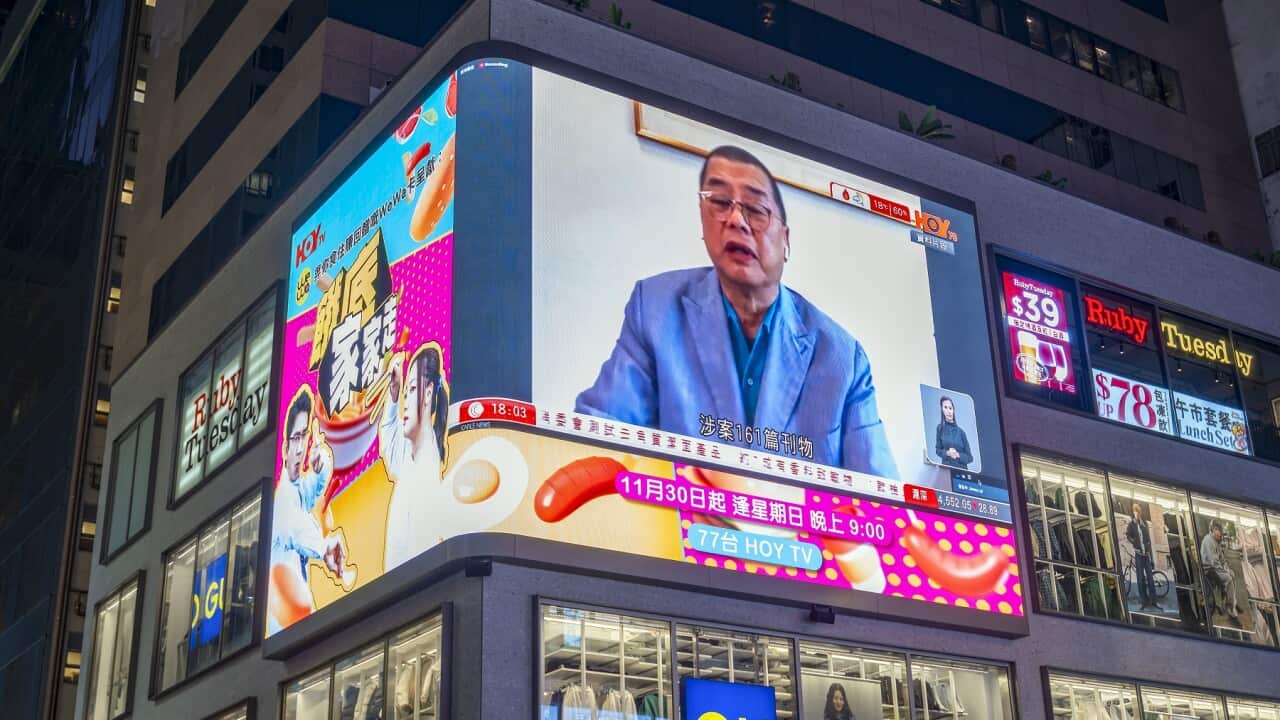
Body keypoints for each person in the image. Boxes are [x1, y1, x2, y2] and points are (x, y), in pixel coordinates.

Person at [576, 145, 897, 477]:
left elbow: (882, 496)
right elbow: (600, 433)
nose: (735, 220)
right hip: (677, 523)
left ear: (785, 240)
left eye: (756, 209)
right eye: (718, 202)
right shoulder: (655, 307)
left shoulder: (843, 357)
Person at [269, 391, 348, 634]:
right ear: (285, 446)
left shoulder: (295, 488)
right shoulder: (282, 501)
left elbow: (312, 488)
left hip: (296, 621)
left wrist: (321, 462)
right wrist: (324, 548)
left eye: (304, 436)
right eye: (295, 438)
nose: (301, 447)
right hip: (284, 624)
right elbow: (296, 528)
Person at [381, 345, 449, 571]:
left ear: (428, 393)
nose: (405, 401)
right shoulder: (413, 451)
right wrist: (393, 393)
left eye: (411, 390)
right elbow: (390, 442)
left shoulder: (426, 475)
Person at [1200, 522, 1242, 625]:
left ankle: (1232, 601)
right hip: (1208, 570)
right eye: (1218, 531)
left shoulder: (1215, 541)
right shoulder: (1208, 541)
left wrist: (1226, 567)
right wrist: (1224, 570)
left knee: (1232, 574)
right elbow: (1213, 562)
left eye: (1221, 532)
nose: (1220, 534)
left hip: (1214, 568)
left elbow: (1222, 559)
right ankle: (1231, 611)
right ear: (1213, 530)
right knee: (1228, 578)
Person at [1125, 503, 1160, 611]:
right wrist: (1134, 542)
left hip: (1146, 555)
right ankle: (1144, 602)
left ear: (1140, 513)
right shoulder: (1131, 525)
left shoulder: (1144, 524)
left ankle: (1154, 601)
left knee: (1150, 578)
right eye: (1135, 511)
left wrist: (1149, 549)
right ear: (1133, 512)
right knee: (1140, 579)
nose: (1137, 513)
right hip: (1139, 555)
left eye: (1138, 511)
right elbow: (1128, 535)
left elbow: (1148, 539)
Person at [933, 396, 972, 470]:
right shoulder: (940, 428)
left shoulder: (961, 432)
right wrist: (948, 453)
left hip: (961, 472)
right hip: (946, 471)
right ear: (942, 410)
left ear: (953, 410)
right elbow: (938, 450)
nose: (948, 411)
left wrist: (958, 455)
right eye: (945, 407)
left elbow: (970, 458)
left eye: (950, 408)